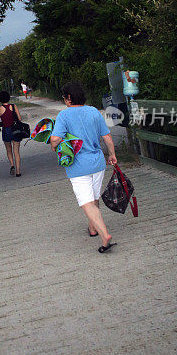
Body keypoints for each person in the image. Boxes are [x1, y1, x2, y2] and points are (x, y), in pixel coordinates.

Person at [49, 81, 117, 253]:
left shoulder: (64, 116)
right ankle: (93, 229)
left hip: (78, 166)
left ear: (69, 98)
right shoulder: (93, 111)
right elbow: (107, 136)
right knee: (94, 198)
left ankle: (104, 236)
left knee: (86, 202)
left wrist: (53, 144)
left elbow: (55, 139)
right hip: (97, 162)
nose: (64, 100)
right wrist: (112, 154)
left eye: (64, 97)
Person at [0, 90, 24, 177]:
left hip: (6, 131)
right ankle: (18, 172)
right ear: (8, 98)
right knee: (16, 151)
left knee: (8, 149)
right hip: (15, 130)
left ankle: (12, 165)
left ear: (0, 99)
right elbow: (19, 118)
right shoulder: (14, 106)